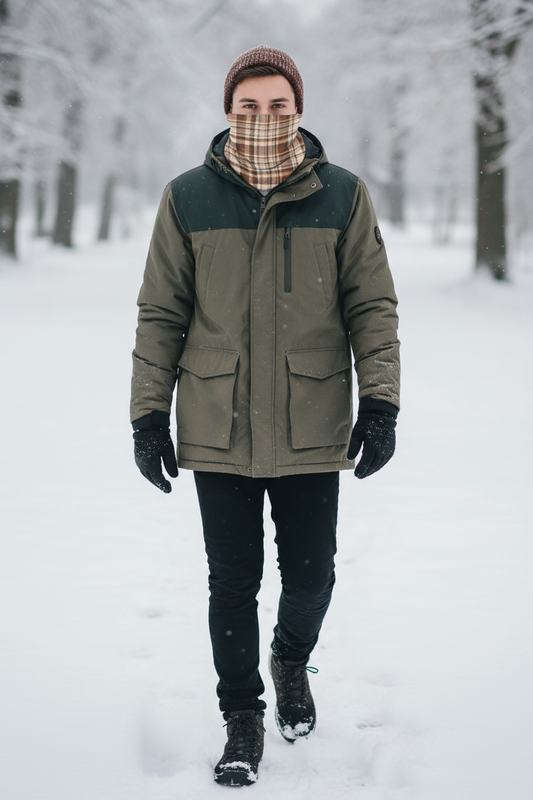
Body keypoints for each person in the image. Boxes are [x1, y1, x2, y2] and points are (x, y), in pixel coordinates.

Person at [130, 45, 400, 787]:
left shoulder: (341, 194)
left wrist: (380, 400)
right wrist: (148, 415)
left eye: (277, 104)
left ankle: (289, 658)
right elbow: (162, 312)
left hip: (312, 420)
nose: (262, 117)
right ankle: (241, 716)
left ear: (298, 109)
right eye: (247, 105)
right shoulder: (187, 197)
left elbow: (371, 306)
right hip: (217, 425)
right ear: (227, 110)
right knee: (230, 583)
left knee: (312, 577)